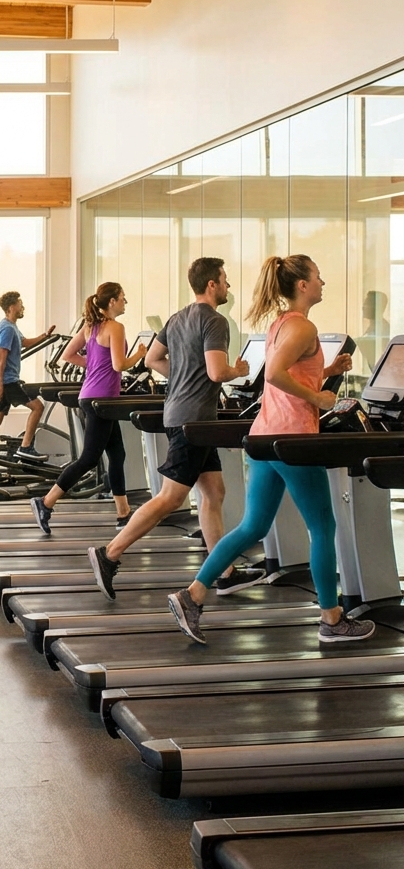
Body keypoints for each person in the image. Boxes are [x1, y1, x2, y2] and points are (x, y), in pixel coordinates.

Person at [168, 254, 371, 643]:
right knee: (323, 526)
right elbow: (276, 375)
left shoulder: (282, 324)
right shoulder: (302, 325)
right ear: (302, 285)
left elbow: (287, 370)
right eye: (318, 276)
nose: (322, 282)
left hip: (267, 437)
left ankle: (192, 595)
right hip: (293, 441)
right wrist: (321, 397)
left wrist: (329, 372)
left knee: (253, 526)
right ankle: (332, 620)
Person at [86, 258, 263, 599]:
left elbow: (152, 359)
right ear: (211, 284)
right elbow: (216, 372)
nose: (227, 287)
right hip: (194, 421)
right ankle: (109, 554)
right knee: (171, 498)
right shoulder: (214, 320)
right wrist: (238, 369)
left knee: (214, 492)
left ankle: (223, 571)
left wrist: (182, 379)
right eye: (224, 280)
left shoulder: (177, 318)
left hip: (188, 417)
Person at [30, 283, 146, 534]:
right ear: (112, 302)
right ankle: (46, 503)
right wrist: (140, 355)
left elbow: (68, 355)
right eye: (123, 298)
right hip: (101, 401)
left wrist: (93, 366)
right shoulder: (115, 327)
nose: (126, 302)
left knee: (117, 455)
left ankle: (123, 513)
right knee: (89, 458)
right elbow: (119, 365)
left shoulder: (91, 327)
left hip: (94, 397)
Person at [0, 290, 56, 459]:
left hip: (3, 381)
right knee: (38, 407)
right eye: (20, 304)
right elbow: (0, 360)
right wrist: (0, 387)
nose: (23, 306)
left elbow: (25, 343)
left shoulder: (10, 326)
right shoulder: (7, 329)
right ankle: (26, 447)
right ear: (12, 307)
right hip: (7, 382)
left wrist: (45, 336)